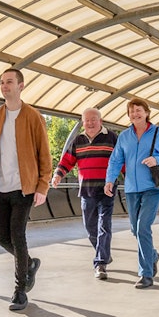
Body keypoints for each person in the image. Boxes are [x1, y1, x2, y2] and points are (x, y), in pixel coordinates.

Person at [0, 68, 52, 311]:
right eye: (2, 82)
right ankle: (30, 263)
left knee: (17, 236)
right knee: (0, 237)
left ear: (21, 86)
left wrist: (42, 185)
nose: (4, 86)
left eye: (9, 82)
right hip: (1, 188)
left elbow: (45, 154)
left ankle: (19, 290)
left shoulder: (33, 116)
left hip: (24, 188)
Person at [104, 98, 159, 290]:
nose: (135, 114)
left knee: (143, 227)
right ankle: (152, 255)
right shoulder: (124, 136)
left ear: (146, 112)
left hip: (153, 187)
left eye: (138, 110)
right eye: (131, 111)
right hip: (131, 188)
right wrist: (110, 180)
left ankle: (145, 274)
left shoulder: (158, 133)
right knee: (134, 229)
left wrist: (157, 159)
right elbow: (115, 160)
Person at [52, 107, 118, 280]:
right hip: (87, 190)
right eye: (86, 120)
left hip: (106, 190)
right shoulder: (78, 140)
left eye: (93, 119)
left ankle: (100, 263)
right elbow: (67, 161)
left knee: (104, 226)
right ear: (83, 122)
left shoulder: (112, 138)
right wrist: (58, 174)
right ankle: (103, 253)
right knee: (90, 228)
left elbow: (120, 161)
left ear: (100, 121)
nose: (90, 123)